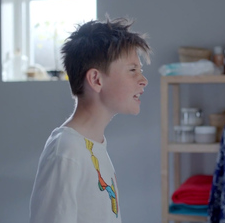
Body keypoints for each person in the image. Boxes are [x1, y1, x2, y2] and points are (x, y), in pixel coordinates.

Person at [29, 16, 151, 223]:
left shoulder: (93, 146)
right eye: (132, 70)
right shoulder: (66, 151)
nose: (143, 80)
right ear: (96, 79)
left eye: (141, 71)